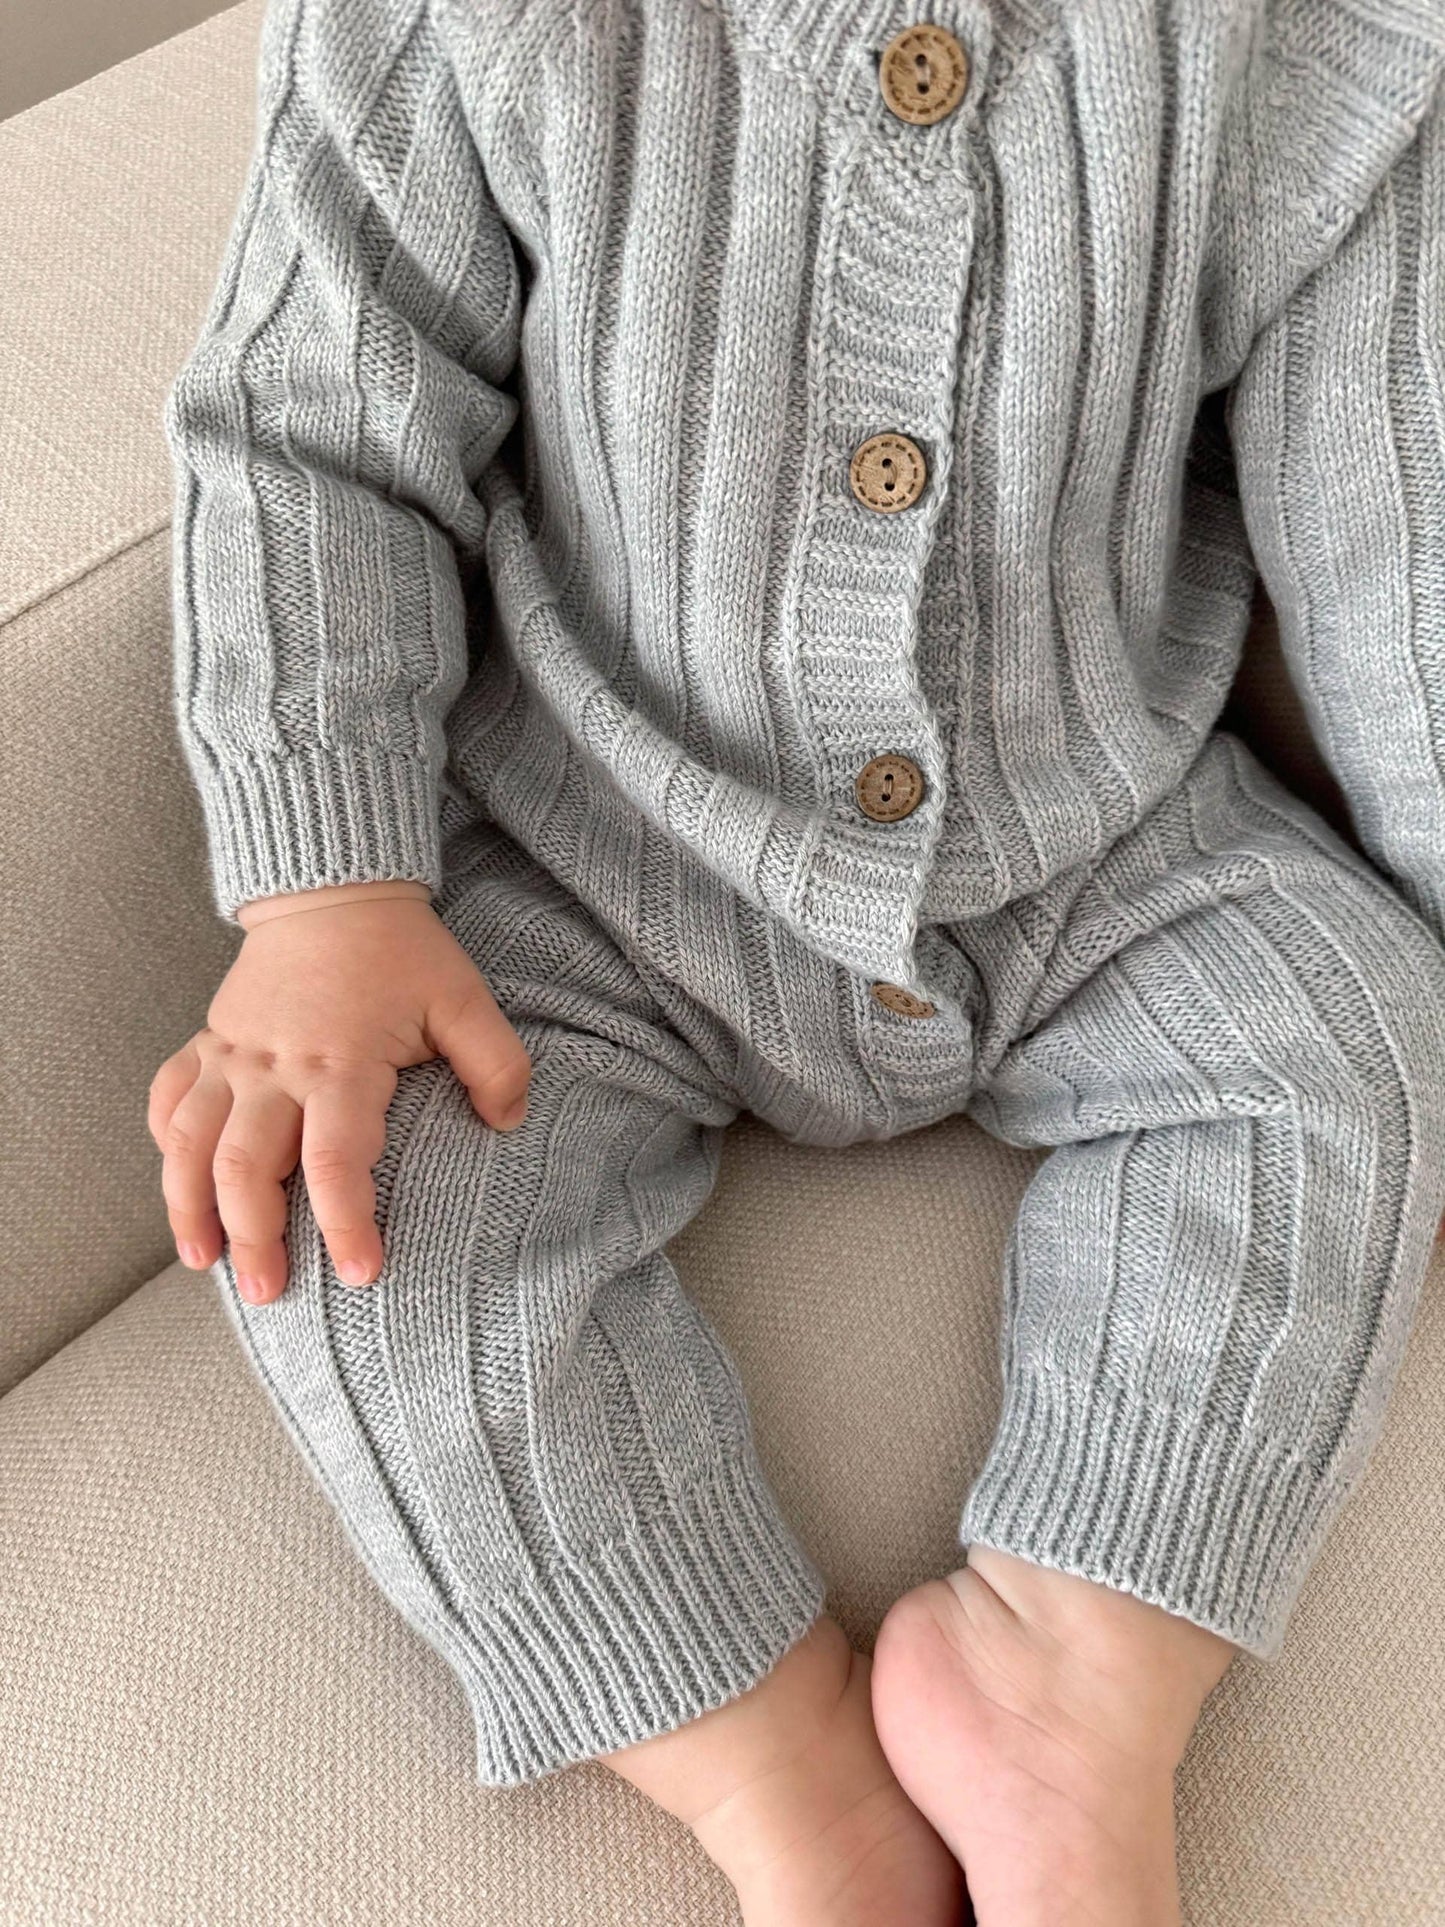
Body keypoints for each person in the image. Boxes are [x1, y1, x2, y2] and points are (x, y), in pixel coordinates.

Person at [148, 1, 1445, 1919]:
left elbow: (1398, 535)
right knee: (339, 1214)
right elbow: (305, 430)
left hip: (1092, 829)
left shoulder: (1304, 38)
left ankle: (1066, 1670)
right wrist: (327, 888)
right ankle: (768, 1768)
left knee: (1357, 1042)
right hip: (594, 856)